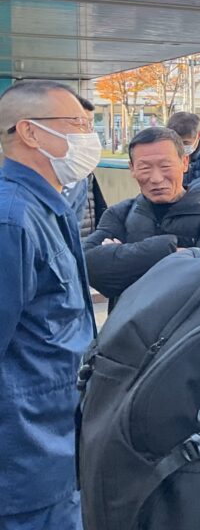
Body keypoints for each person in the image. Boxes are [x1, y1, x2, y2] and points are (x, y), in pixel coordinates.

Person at [0, 81, 99, 530]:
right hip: (24, 461)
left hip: (56, 444)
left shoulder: (47, 208)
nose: (88, 136)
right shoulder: (12, 219)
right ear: (30, 132)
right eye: (77, 123)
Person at [84, 126, 200, 313]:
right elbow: (89, 265)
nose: (156, 178)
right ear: (132, 169)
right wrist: (171, 250)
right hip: (128, 326)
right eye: (145, 168)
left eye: (165, 166)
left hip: (193, 326)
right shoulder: (119, 213)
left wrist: (123, 257)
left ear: (184, 162)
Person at [62, 94, 107, 237]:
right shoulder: (55, 173)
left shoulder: (84, 170)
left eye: (91, 125)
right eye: (81, 125)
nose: (89, 133)